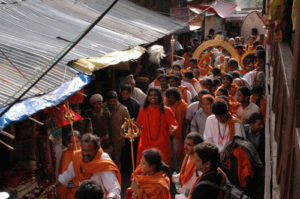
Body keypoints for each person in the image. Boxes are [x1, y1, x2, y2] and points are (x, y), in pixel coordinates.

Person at [50, 133, 121, 199]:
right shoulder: (77, 157)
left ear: (96, 149)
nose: (85, 153)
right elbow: (68, 174)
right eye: (83, 150)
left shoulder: (103, 162)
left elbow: (114, 188)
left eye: (89, 151)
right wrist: (53, 186)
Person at [136, 88, 178, 166]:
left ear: (159, 97)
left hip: (162, 144)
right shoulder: (143, 111)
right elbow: (137, 125)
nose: (153, 97)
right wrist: (132, 128)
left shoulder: (167, 110)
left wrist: (173, 128)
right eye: (151, 95)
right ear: (147, 97)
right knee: (147, 165)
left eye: (155, 95)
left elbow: (174, 124)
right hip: (147, 143)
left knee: (163, 165)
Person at [103, 90, 130, 169]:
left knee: (117, 159)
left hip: (118, 139)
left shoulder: (123, 109)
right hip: (105, 139)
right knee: (106, 159)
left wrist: (122, 135)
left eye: (114, 100)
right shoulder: (103, 107)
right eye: (110, 101)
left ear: (117, 99)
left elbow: (128, 125)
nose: (112, 103)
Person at [173, 132, 203, 199]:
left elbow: (198, 188)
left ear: (197, 147)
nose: (185, 147)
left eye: (189, 145)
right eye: (185, 143)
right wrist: (177, 178)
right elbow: (185, 175)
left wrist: (182, 190)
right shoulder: (187, 156)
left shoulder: (200, 164)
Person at [165, 88, 188, 170]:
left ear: (177, 97)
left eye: (172, 97)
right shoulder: (166, 104)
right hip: (167, 133)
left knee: (176, 154)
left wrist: (184, 134)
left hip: (178, 134)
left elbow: (185, 121)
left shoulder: (183, 106)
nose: (170, 99)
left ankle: (178, 171)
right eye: (169, 97)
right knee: (168, 152)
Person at [57, 131, 81, 199]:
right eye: (72, 142)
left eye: (77, 141)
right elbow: (63, 173)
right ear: (68, 143)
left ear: (81, 142)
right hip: (71, 191)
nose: (75, 144)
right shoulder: (66, 154)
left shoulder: (84, 152)